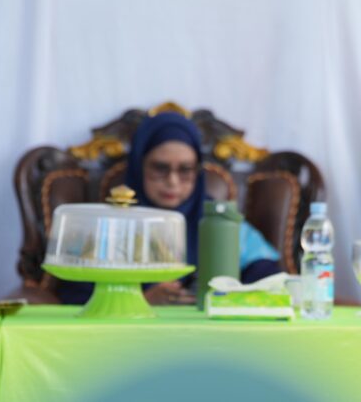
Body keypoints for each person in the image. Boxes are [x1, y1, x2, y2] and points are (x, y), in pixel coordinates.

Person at [58, 112, 282, 305]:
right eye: (160, 168)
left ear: (197, 172)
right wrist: (142, 300)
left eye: (185, 170)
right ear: (139, 166)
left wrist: (226, 295)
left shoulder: (217, 221)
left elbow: (267, 277)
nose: (173, 182)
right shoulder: (110, 225)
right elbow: (73, 293)